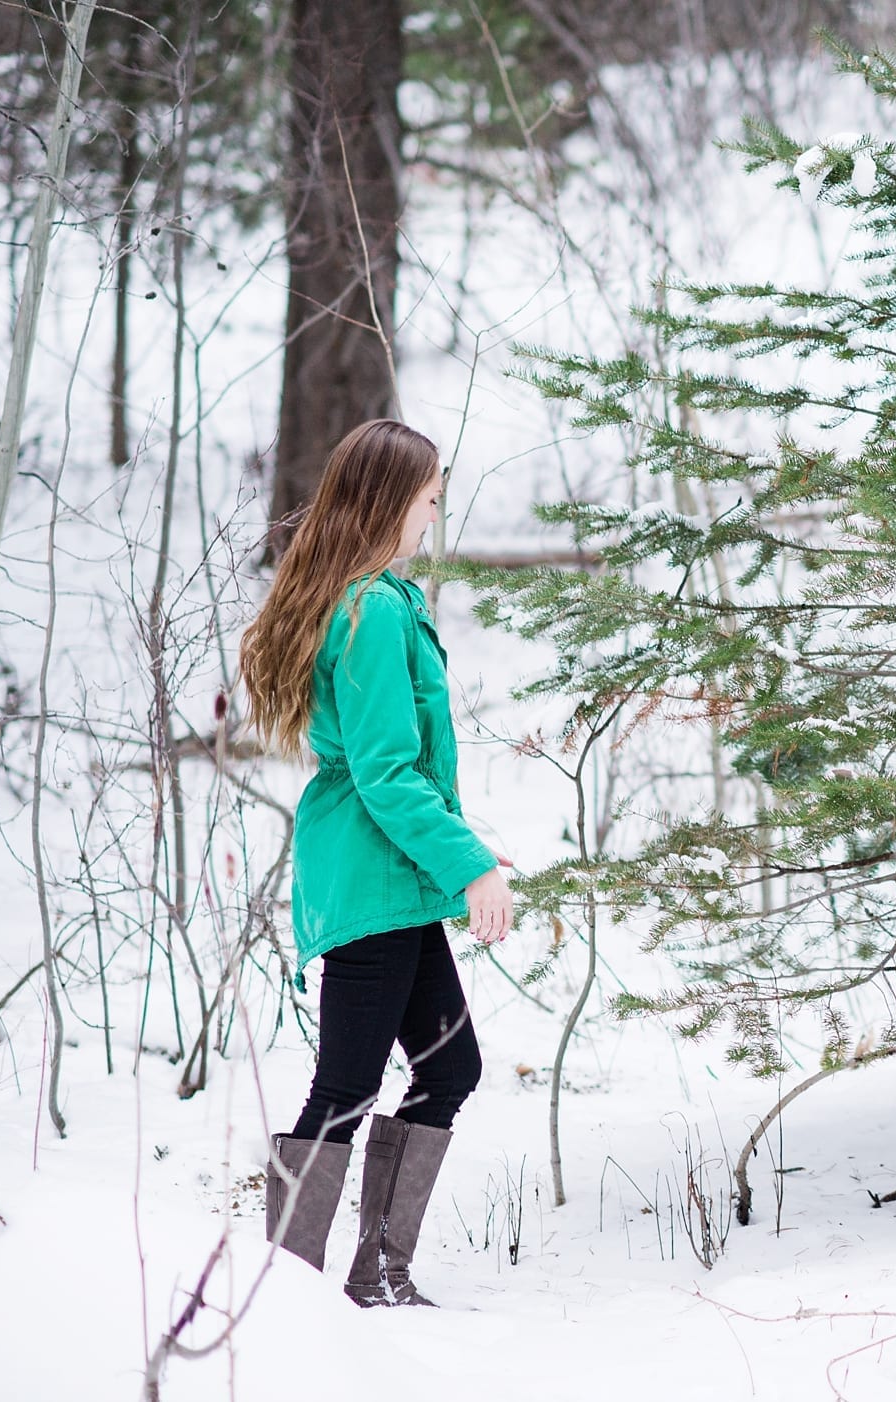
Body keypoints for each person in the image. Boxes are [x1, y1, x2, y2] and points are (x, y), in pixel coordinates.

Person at [240, 419, 513, 1305]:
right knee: (348, 1084)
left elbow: (398, 772)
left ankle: (377, 1273)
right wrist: (469, 863)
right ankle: (286, 1288)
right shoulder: (367, 612)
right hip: (371, 878)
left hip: (389, 879)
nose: (435, 513)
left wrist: (455, 854)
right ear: (394, 501)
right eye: (430, 497)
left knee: (449, 1068)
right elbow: (388, 774)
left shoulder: (377, 600)